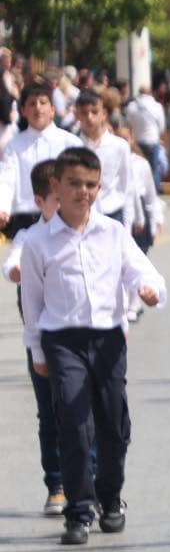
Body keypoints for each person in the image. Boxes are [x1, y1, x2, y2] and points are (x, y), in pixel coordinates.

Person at [20, 147, 166, 546]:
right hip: (62, 340)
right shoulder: (37, 241)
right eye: (74, 184)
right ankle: (79, 510)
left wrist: (149, 291)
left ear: (99, 187)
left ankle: (111, 497)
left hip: (107, 339)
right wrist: (37, 352)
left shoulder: (114, 234)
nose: (82, 192)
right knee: (73, 422)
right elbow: (31, 303)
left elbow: (143, 272)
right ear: (57, 186)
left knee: (114, 427)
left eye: (90, 185)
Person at [6, 160, 67, 517]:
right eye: (55, 199)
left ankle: (88, 477)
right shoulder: (29, 237)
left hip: (83, 337)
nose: (65, 205)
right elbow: (12, 262)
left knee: (82, 409)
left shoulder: (92, 231)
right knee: (49, 411)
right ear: (40, 200)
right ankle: (56, 484)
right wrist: (17, 269)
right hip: (43, 336)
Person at [3, 82, 80, 238]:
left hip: (62, 216)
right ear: (23, 111)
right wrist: (3, 207)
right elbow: (6, 178)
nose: (38, 108)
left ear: (52, 109)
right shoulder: (15, 144)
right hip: (25, 219)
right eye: (32, 104)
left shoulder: (70, 142)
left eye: (43, 103)